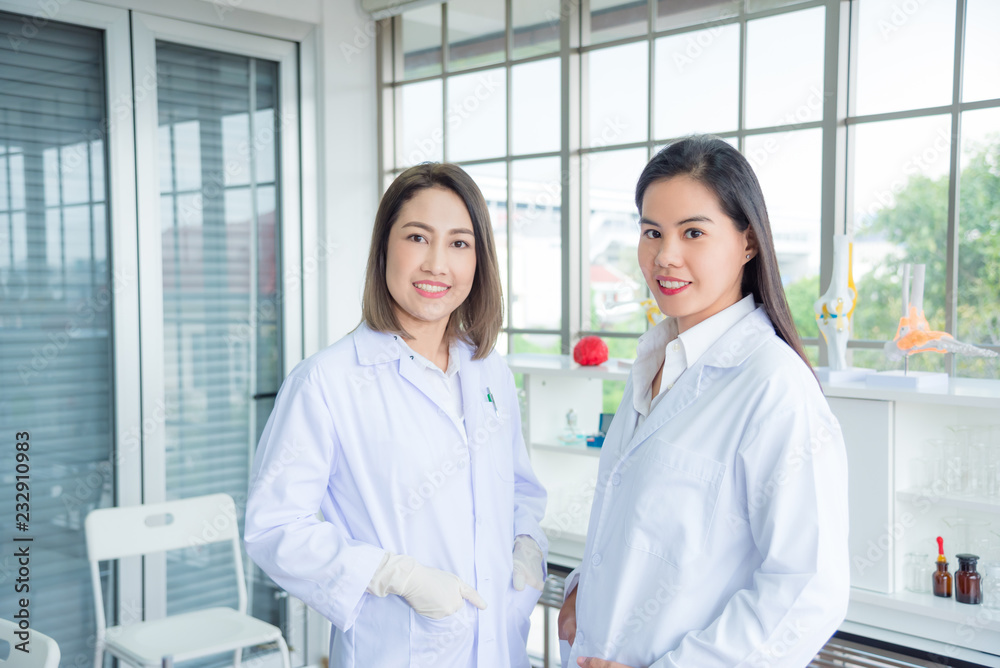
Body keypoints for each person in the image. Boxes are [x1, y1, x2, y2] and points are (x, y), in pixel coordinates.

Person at [558, 136, 850, 668]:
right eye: (652, 232)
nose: (665, 256)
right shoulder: (655, 361)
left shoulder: (773, 386)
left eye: (693, 232)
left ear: (748, 242)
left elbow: (810, 588)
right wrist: (582, 591)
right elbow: (643, 526)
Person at [245, 163, 548, 668]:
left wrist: (526, 545)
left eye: (459, 243)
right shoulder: (327, 381)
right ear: (385, 248)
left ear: (479, 261)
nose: (436, 264)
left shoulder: (488, 370)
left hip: (500, 645)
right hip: (399, 650)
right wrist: (395, 575)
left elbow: (518, 488)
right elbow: (275, 527)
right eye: (417, 237)